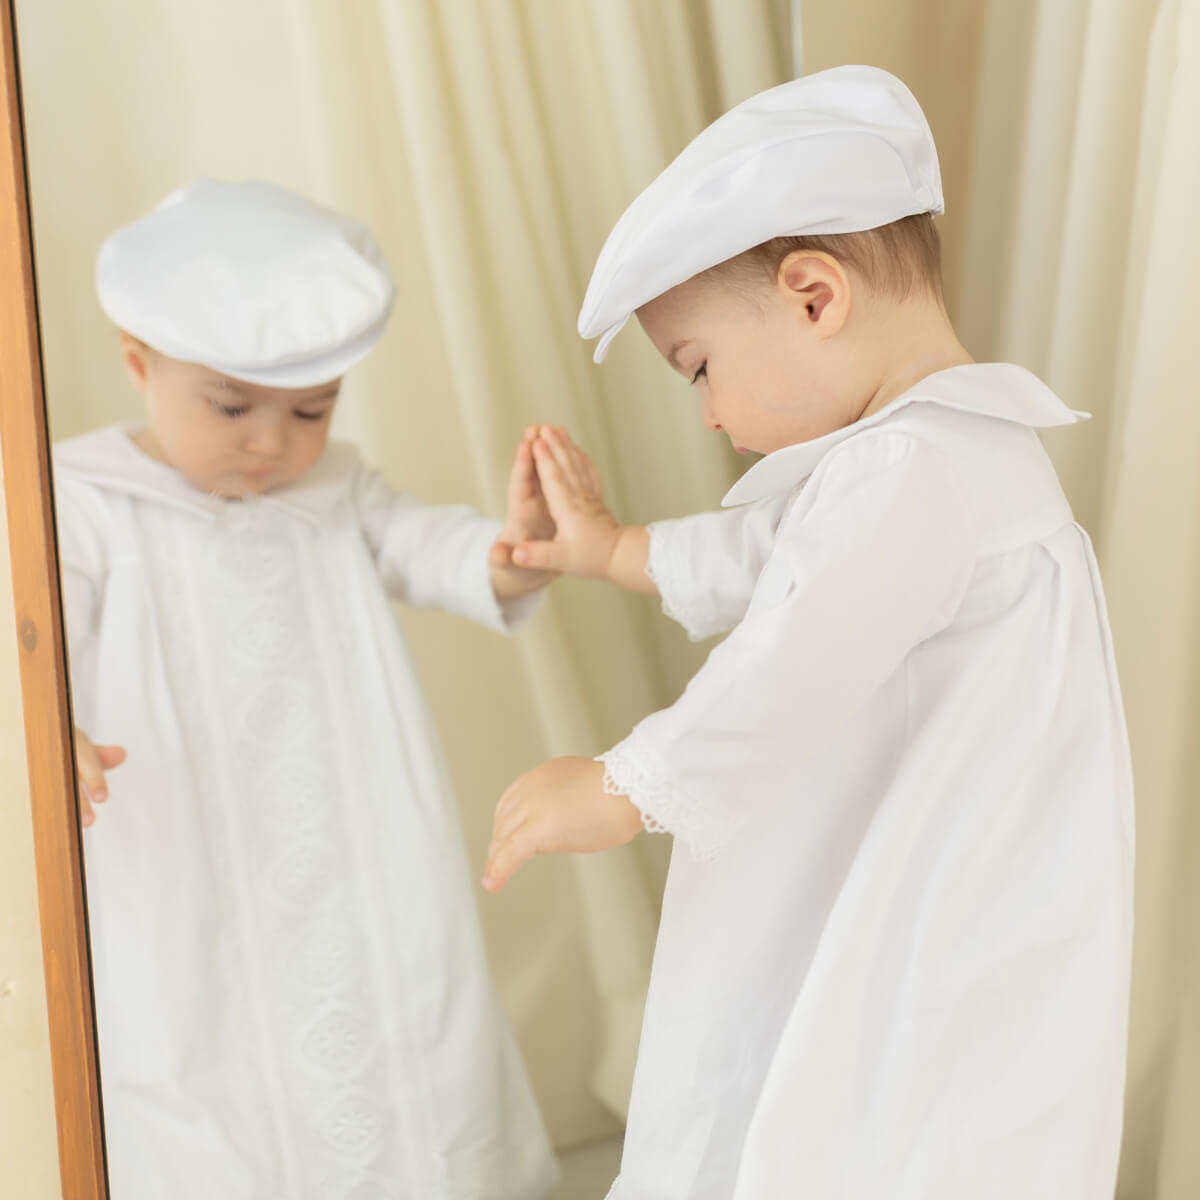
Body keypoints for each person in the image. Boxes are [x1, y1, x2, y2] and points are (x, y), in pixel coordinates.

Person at [483, 66, 1134, 1200]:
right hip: (929, 864)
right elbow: (785, 568)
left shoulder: (911, 469)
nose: (708, 413)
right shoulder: (933, 456)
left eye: (700, 368)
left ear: (814, 295)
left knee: (863, 1098)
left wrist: (625, 784)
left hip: (927, 884)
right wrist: (615, 547)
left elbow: (793, 657)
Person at [56, 178, 558, 1200]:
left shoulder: (335, 491)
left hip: (356, 831)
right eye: (232, 405)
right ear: (138, 364)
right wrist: (48, 730)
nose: (271, 442)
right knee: (206, 1052)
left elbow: (430, 547)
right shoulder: (89, 502)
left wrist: (514, 552)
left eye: (311, 411)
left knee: (400, 1022)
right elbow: (36, 639)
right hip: (188, 846)